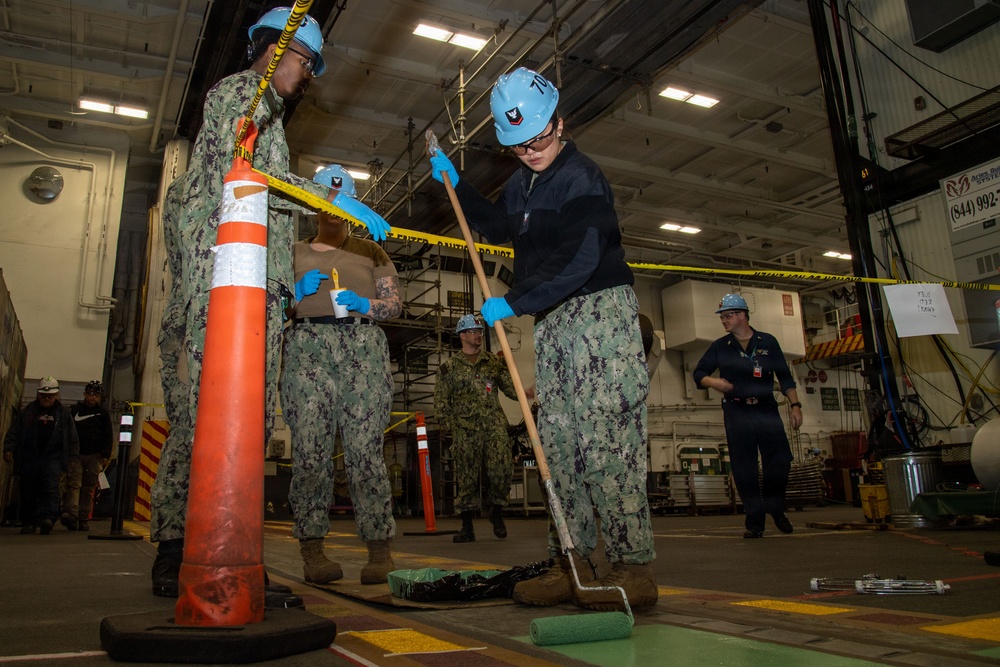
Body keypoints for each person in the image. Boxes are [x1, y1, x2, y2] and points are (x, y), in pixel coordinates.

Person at [150, 7, 391, 598]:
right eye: (307, 62)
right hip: (225, 285)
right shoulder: (244, 94)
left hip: (249, 289)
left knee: (238, 421)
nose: (308, 76)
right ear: (278, 48)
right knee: (212, 417)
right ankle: (186, 552)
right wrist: (325, 199)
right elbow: (251, 177)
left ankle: (223, 555)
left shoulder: (268, 117)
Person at [427, 67, 657, 611]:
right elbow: (498, 226)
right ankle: (570, 563)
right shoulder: (520, 185)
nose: (530, 151)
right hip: (553, 321)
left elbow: (581, 256)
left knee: (607, 442)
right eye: (518, 145)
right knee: (557, 444)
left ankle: (632, 568)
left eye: (538, 139)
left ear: (559, 122)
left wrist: (517, 300)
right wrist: (457, 184)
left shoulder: (582, 178)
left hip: (598, 315)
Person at [280, 164, 401, 585]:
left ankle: (379, 550)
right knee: (310, 451)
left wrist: (365, 305)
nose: (333, 209)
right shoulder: (290, 253)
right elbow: (269, 308)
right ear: (312, 203)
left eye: (342, 200)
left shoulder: (372, 252)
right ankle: (313, 551)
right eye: (326, 200)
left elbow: (393, 306)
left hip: (362, 347)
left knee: (365, 452)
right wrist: (292, 296)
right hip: (307, 348)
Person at [692, 293, 803, 539]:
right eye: (722, 317)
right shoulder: (720, 346)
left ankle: (775, 506)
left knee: (780, 461)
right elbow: (699, 373)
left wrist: (795, 405)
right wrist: (714, 382)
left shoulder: (768, 342)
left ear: (742, 315)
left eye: (728, 315)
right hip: (737, 411)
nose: (724, 320)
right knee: (744, 468)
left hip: (766, 409)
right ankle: (755, 521)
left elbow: (785, 376)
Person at [433, 314, 517, 543]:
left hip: (494, 424)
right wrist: (452, 426)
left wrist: (523, 389)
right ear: (462, 335)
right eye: (473, 332)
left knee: (502, 469)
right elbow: (441, 402)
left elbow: (511, 389)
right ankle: (467, 526)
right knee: (467, 478)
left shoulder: (493, 362)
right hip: (465, 429)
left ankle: (496, 509)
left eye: (480, 332)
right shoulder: (449, 368)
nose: (478, 335)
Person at [3, 377, 79, 535]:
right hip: (30, 456)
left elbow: (72, 438)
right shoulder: (28, 411)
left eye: (50, 396)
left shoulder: (63, 414)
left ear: (56, 395)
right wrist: (9, 448)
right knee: (28, 489)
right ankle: (29, 522)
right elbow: (14, 431)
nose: (46, 398)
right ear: (38, 394)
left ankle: (48, 519)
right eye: (43, 395)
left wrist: (72, 457)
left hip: (52, 457)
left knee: (50, 488)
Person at [60, 380, 113, 531]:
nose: (92, 397)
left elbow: (108, 435)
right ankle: (71, 515)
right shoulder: (74, 410)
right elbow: (66, 432)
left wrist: (105, 455)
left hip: (94, 456)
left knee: (88, 488)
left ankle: (83, 518)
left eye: (96, 395)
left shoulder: (103, 414)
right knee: (74, 484)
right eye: (90, 394)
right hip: (76, 455)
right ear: (84, 394)